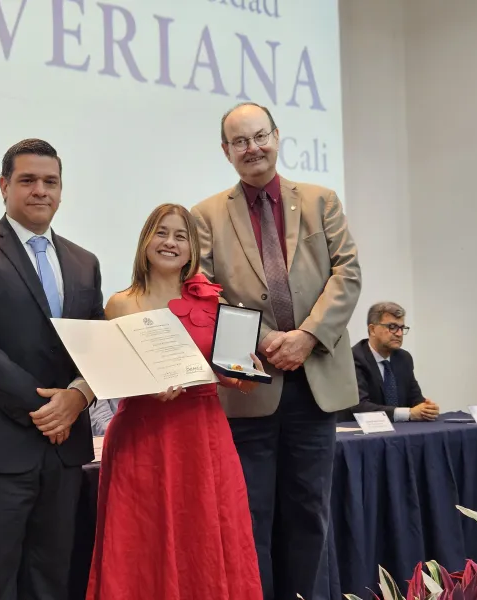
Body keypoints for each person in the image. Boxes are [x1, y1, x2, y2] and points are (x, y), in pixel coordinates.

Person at [190, 102, 362, 600]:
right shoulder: (205, 215)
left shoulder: (320, 200)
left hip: (316, 384)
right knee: (251, 514)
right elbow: (203, 290)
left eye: (259, 136)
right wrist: (263, 338)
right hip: (250, 387)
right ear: (226, 151)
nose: (252, 148)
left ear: (277, 136)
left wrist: (306, 336)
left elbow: (346, 275)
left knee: (310, 511)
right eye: (239, 142)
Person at [0, 138, 104, 600]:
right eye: (27, 180)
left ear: (62, 191)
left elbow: (96, 347)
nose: (40, 190)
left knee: (52, 580)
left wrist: (79, 397)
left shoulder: (84, 263)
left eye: (50, 182)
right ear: (4, 185)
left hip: (64, 452)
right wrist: (47, 408)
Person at [85, 203, 264, 600]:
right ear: (146, 240)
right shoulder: (119, 303)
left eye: (180, 236)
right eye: (161, 233)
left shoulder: (214, 303)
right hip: (142, 437)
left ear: (192, 248)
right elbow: (109, 374)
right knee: (141, 538)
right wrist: (144, 385)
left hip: (203, 436)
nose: (170, 242)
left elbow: (235, 380)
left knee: (205, 537)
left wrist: (249, 374)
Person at [348, 302, 439, 421]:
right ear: (372, 329)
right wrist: (409, 413)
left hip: (399, 433)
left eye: (402, 328)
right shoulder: (353, 358)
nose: (399, 334)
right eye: (392, 327)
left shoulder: (404, 358)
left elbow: (415, 399)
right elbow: (359, 407)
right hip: (360, 434)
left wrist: (427, 409)